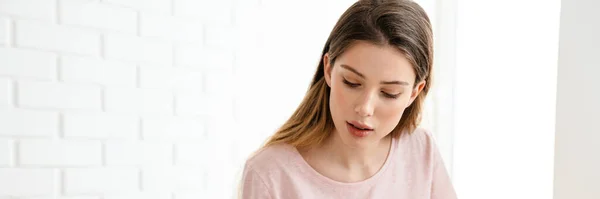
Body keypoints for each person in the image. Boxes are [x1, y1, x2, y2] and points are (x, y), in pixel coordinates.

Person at [239, 0, 457, 198]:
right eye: (352, 83)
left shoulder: (421, 151)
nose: (364, 108)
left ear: (414, 92)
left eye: (389, 93)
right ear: (328, 69)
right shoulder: (269, 173)